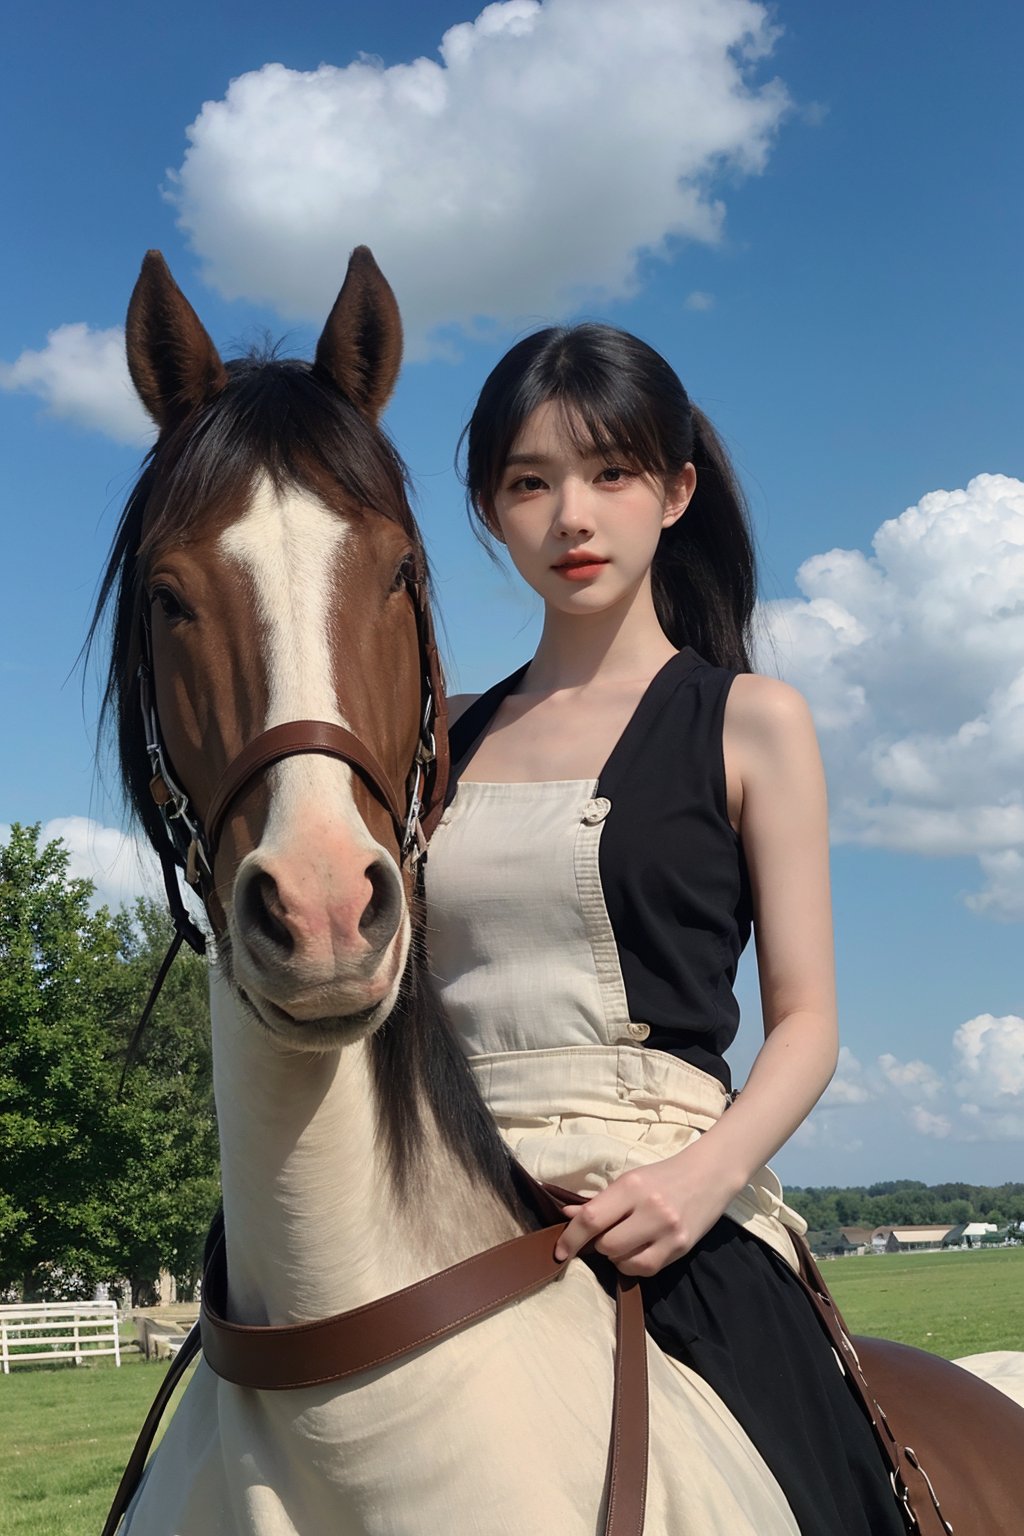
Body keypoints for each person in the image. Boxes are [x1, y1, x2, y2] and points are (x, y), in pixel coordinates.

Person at [425, 323, 905, 1536]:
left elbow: (807, 1023)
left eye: (610, 474)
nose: (569, 517)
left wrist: (701, 1183)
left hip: (663, 1198)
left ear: (676, 490)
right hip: (443, 1190)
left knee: (831, 1486)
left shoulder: (752, 721)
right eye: (529, 482)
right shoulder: (438, 737)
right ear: (490, 508)